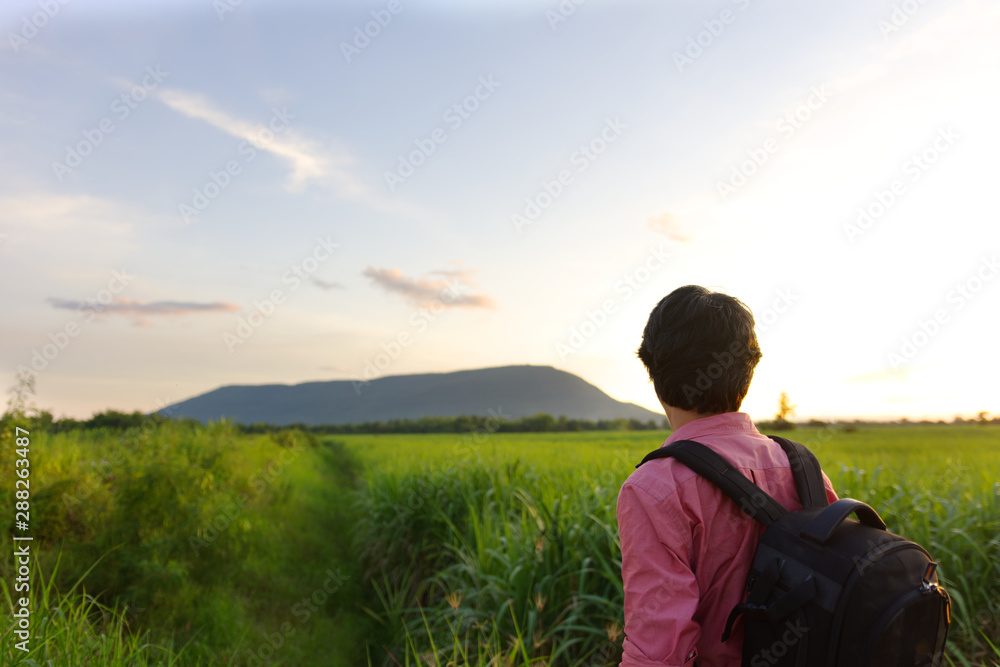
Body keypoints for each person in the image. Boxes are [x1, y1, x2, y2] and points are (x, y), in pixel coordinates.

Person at [617, 285, 838, 667]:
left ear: (652, 368)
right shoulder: (802, 465)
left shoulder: (654, 487)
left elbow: (658, 650)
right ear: (748, 369)